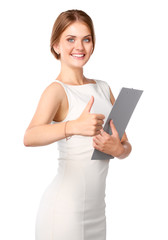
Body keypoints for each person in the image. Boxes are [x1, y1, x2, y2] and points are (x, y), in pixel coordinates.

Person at [23, 9, 132, 240]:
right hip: (64, 212)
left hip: (96, 213)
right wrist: (73, 126)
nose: (79, 47)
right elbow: (29, 136)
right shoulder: (56, 90)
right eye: (70, 39)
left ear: (93, 44)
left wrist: (118, 150)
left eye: (86, 39)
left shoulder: (103, 88)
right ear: (56, 46)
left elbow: (125, 144)